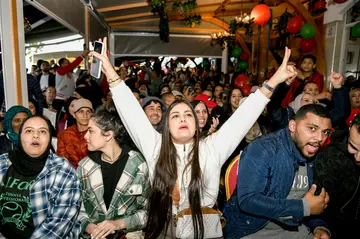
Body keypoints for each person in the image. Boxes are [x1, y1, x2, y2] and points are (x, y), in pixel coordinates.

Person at [91, 37, 297, 238]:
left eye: (188, 114)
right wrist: (110, 70)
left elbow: (244, 116)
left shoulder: (212, 148)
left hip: (202, 230)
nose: (183, 118)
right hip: (162, 230)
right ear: (167, 126)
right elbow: (131, 112)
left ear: (196, 126)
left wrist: (275, 81)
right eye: (175, 115)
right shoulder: (155, 147)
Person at [223, 104, 332, 239]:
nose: (320, 138)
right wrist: (302, 207)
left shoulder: (316, 154)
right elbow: (248, 200)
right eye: (312, 129)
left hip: (295, 228)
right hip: (252, 229)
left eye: (325, 132)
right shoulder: (263, 149)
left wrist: (319, 226)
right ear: (292, 126)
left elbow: (313, 202)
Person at [0, 115, 81, 238]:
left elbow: (59, 223)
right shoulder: (3, 162)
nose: (35, 135)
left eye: (42, 131)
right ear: (20, 136)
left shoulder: (62, 169)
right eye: (29, 131)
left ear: (49, 138)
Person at [77, 101, 148, 239]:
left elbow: (147, 212)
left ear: (108, 135)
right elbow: (77, 211)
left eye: (91, 131)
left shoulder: (138, 165)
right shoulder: (84, 167)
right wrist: (90, 228)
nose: (85, 136)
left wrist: (118, 224)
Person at [313, 113, 360, 238]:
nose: (358, 158)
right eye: (353, 147)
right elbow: (320, 206)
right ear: (350, 129)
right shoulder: (331, 156)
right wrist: (322, 227)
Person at [57, 98, 93, 168]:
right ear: (74, 114)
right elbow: (61, 162)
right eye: (81, 111)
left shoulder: (98, 133)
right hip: (71, 174)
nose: (85, 115)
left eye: (88, 112)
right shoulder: (64, 135)